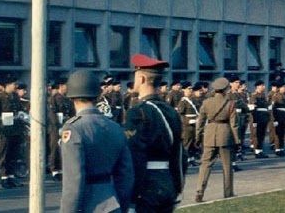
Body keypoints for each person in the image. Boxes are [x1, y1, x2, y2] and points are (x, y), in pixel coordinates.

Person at [59, 69, 133, 213]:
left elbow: (73, 181)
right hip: (112, 202)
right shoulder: (115, 127)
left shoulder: (73, 129)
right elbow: (125, 175)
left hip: (88, 205)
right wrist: (122, 206)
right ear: (97, 95)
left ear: (71, 97)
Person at [123, 55, 184, 213]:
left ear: (142, 78)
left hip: (146, 188)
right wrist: (177, 187)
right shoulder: (171, 111)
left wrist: (131, 198)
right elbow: (179, 154)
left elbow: (135, 156)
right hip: (167, 183)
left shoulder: (137, 112)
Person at [194, 77, 239, 204]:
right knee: (227, 166)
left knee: (205, 165)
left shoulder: (206, 102)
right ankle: (228, 192)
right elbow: (234, 125)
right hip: (225, 135)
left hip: (209, 134)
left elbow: (200, 122)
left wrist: (198, 137)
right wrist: (237, 141)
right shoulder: (230, 104)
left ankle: (199, 191)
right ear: (225, 89)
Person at [0, 75, 24, 188]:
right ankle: (4, 177)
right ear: (7, 85)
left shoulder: (14, 96)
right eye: (14, 84)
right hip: (4, 129)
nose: (16, 86)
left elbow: (19, 109)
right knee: (4, 154)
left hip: (15, 128)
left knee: (13, 154)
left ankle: (11, 175)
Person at [48, 78, 75, 181]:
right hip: (56, 127)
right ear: (61, 86)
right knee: (55, 148)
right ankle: (55, 170)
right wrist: (57, 126)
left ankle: (62, 169)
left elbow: (71, 112)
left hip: (66, 125)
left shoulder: (68, 99)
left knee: (65, 148)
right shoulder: (53, 99)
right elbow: (52, 114)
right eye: (65, 86)